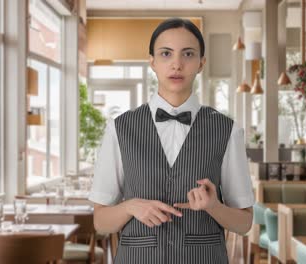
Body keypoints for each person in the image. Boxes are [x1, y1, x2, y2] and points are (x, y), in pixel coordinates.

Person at [88, 17, 255, 264]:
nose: (177, 64)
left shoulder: (227, 130)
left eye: (188, 54)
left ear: (201, 63)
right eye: (166, 54)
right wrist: (129, 207)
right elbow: (100, 221)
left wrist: (214, 207)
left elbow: (244, 223)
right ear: (152, 62)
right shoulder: (119, 128)